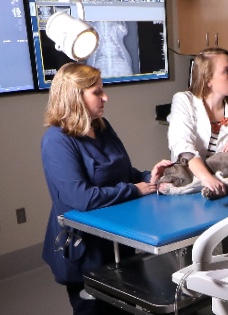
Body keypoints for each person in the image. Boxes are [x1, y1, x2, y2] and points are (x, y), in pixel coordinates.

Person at [41, 62, 172, 315]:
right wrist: (135, 189)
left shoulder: (101, 126)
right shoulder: (56, 140)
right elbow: (80, 198)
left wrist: (150, 177)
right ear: (74, 96)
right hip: (85, 249)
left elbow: (123, 173)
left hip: (118, 237)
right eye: (97, 92)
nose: (105, 97)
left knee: (127, 307)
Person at [167, 47, 228, 197]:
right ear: (208, 80)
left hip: (225, 184)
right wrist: (207, 178)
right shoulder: (184, 101)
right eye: (227, 71)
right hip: (189, 183)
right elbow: (183, 147)